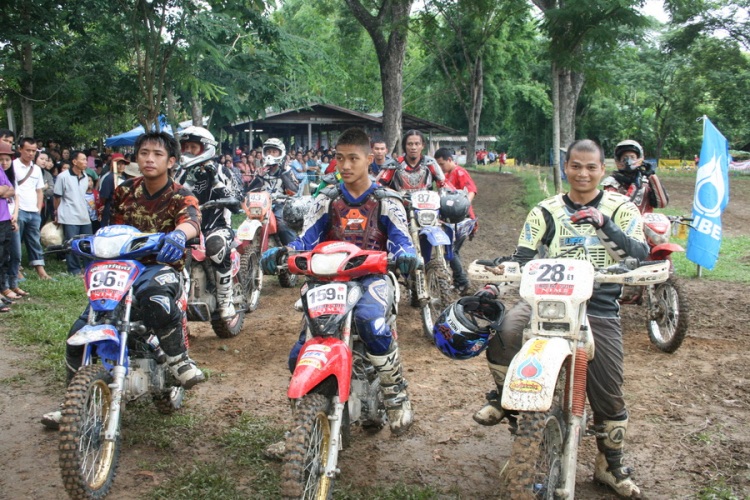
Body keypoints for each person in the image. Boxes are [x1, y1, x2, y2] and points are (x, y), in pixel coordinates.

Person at [472, 139, 648, 497]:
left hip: (597, 304)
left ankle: (610, 464)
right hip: (546, 300)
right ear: (566, 167)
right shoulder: (545, 210)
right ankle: (505, 398)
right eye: (576, 166)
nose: (583, 173)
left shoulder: (621, 208)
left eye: (591, 167)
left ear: (602, 170)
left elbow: (639, 253)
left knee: (608, 390)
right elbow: (523, 258)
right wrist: (495, 282)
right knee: (505, 332)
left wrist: (604, 224)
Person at [41, 131, 205, 430]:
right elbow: (110, 228)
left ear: (171, 161)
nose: (150, 159)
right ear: (136, 157)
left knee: (154, 298)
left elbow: (192, 221)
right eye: (144, 153)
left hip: (161, 267)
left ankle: (178, 359)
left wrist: (179, 236)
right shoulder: (124, 190)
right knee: (78, 330)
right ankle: (72, 404)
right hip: (120, 268)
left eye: (157, 154)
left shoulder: (182, 194)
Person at [260, 128, 419, 436]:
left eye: (353, 159)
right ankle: (300, 431)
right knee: (299, 352)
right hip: (328, 280)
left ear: (369, 160)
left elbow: (402, 239)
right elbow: (306, 238)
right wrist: (284, 251)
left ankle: (395, 392)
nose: (345, 166)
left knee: (370, 322)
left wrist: (405, 254)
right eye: (339, 158)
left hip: (372, 277)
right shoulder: (326, 199)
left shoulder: (386, 200)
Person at [175, 126, 241, 320]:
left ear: (205, 148)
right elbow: (172, 196)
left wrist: (215, 179)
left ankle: (225, 300)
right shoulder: (181, 173)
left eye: (193, 147)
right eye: (185, 147)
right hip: (188, 226)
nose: (188, 151)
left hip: (217, 226)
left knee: (216, 246)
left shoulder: (222, 170)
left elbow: (236, 202)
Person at [434, 148, 477, 294]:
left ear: (449, 160)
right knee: (451, 250)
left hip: (462, 219)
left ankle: (462, 281)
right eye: (438, 165)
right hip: (451, 220)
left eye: (442, 164)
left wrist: (463, 206)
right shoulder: (445, 176)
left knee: (451, 250)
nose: (440, 168)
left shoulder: (460, 172)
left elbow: (471, 190)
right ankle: (459, 281)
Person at [12, 137, 52, 281]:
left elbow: (39, 190)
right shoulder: (12, 166)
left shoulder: (36, 169)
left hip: (33, 211)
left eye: (33, 151)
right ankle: (16, 270)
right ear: (20, 149)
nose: (30, 153)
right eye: (28, 150)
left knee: (35, 241)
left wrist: (38, 210)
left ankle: (41, 271)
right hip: (18, 210)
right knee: (15, 242)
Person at [53, 150, 94, 275]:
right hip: (69, 214)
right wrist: (56, 213)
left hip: (84, 214)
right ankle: (74, 269)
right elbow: (57, 197)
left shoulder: (85, 176)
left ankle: (88, 267)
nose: (85, 162)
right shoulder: (63, 176)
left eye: (86, 159)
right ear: (74, 161)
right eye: (83, 159)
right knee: (71, 244)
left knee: (87, 243)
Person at [253, 138, 299, 245]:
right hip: (260, 205)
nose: (270, 154)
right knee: (249, 222)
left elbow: (294, 190)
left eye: (274, 152)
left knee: (282, 224)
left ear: (280, 153)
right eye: (268, 151)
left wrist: (283, 173)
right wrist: (259, 177)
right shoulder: (260, 171)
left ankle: (293, 248)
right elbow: (250, 190)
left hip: (280, 204)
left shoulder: (287, 170)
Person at [602, 140, 668, 214]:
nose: (628, 161)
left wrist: (652, 176)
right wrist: (635, 186)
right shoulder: (612, 182)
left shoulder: (645, 180)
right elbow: (618, 209)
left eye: (632, 157)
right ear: (618, 160)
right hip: (621, 220)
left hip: (644, 220)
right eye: (625, 158)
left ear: (639, 158)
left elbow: (662, 203)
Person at [378, 129, 453, 192]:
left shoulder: (430, 163)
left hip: (426, 204)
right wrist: (390, 192)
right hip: (400, 204)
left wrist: (451, 194)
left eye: (417, 144)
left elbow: (443, 184)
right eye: (410, 144)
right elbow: (379, 185)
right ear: (404, 146)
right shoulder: (394, 165)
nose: (413, 147)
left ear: (423, 146)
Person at [0, 141, 16, 312]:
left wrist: (4, 189)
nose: (3, 162)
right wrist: (3, 190)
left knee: (4, 256)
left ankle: (2, 288)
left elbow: (11, 190)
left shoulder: (1, 171)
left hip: (4, 219)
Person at [97, 153, 132, 227]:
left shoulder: (123, 177)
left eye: (123, 164)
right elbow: (103, 197)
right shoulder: (109, 178)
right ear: (113, 165)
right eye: (119, 164)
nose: (121, 166)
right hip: (110, 209)